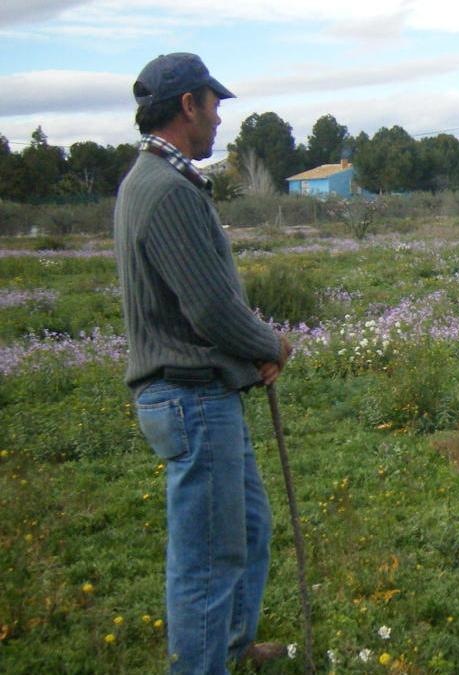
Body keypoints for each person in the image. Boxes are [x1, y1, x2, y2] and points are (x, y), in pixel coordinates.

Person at [114, 52, 291, 674]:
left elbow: (197, 310)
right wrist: (268, 345)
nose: (219, 118)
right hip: (191, 398)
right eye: (214, 104)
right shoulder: (165, 190)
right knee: (207, 561)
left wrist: (244, 361)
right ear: (188, 104)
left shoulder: (156, 180)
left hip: (200, 391)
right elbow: (210, 309)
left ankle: (232, 647)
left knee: (246, 528)